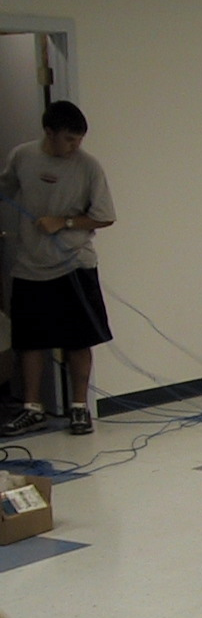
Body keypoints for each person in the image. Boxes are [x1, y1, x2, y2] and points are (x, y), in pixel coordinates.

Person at [0, 100, 116, 436]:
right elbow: (6, 188)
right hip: (30, 265)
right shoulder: (23, 156)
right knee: (31, 341)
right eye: (69, 139)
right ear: (49, 133)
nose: (75, 146)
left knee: (78, 340)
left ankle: (79, 408)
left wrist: (64, 222)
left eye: (79, 139)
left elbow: (105, 216)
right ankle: (33, 409)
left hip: (74, 265)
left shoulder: (88, 167)